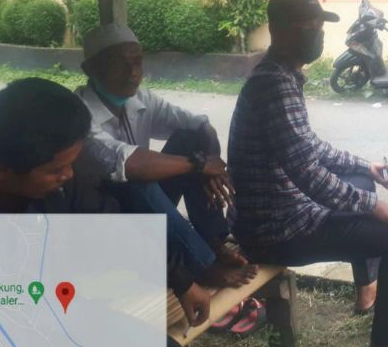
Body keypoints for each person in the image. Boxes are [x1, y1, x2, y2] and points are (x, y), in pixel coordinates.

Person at [228, 0, 388, 347]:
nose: (318, 34)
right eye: (307, 26)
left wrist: (365, 166)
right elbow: (307, 172)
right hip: (277, 231)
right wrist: (375, 206)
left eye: (319, 26)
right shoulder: (273, 85)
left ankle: (366, 291)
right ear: (278, 30)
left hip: (288, 213)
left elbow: (310, 147)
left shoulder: (281, 75)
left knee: (361, 181)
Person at [0, 77, 204, 347]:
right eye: (57, 170)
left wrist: (181, 279)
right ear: (2, 172)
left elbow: (112, 227)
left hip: (48, 310)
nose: (69, 175)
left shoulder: (56, 177)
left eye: (70, 164)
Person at [76, 23, 254, 288]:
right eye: (119, 63)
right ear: (90, 68)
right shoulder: (78, 115)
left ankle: (213, 241)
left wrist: (209, 169)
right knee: (137, 180)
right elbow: (128, 164)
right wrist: (199, 165)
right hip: (105, 219)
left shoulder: (139, 99)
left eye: (138, 62)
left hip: (147, 208)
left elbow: (199, 125)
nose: (133, 72)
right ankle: (201, 265)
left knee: (193, 138)